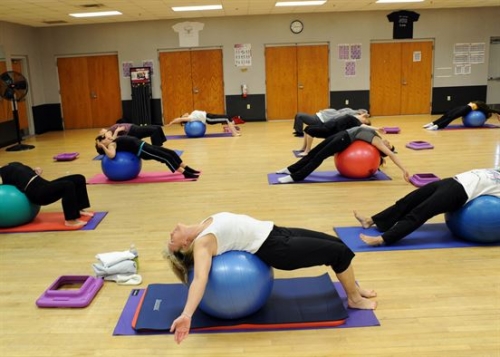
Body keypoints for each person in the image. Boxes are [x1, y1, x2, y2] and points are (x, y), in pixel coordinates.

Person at [164, 211, 378, 344]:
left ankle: (354, 288)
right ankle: (354, 299)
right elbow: (200, 278)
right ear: (184, 246)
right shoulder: (202, 244)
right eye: (170, 241)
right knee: (337, 254)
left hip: (275, 231)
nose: (170, 234)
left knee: (338, 244)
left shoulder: (203, 224)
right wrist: (187, 314)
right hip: (276, 248)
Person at [353, 168, 500, 246]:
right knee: (407, 201)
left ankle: (383, 239)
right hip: (451, 181)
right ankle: (371, 221)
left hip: (460, 192)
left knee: (419, 212)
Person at [276, 126, 410, 184]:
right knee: (314, 152)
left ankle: (295, 177)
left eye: (389, 146)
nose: (388, 143)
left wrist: (404, 170)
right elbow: (363, 126)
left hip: (344, 140)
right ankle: (290, 169)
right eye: (389, 143)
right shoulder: (377, 136)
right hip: (342, 134)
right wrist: (377, 128)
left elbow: (392, 155)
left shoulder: (377, 142)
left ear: (384, 149)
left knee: (319, 157)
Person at [0, 162, 93, 227]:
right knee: (67, 185)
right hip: (37, 193)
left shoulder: (11, 164)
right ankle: (70, 220)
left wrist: (35, 171)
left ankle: (79, 208)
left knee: (79, 178)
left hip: (43, 183)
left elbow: (22, 174)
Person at [95, 135, 200, 179]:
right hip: (143, 151)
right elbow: (111, 155)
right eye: (103, 139)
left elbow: (107, 134)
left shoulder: (112, 140)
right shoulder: (111, 145)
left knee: (171, 153)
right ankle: (185, 174)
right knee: (165, 158)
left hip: (144, 145)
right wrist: (103, 146)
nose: (105, 137)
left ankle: (187, 168)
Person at [297, 112, 376, 156]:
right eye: (364, 118)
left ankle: (307, 151)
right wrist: (364, 115)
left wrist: (377, 129)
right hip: (327, 125)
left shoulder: (356, 123)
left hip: (329, 130)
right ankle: (303, 147)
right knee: (307, 129)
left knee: (310, 131)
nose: (364, 119)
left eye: (365, 120)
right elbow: (359, 116)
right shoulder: (354, 117)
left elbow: (364, 126)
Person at [423, 101, 500, 130]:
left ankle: (438, 126)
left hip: (467, 108)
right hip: (464, 107)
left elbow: (494, 111)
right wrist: (497, 114)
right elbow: (494, 111)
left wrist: (497, 114)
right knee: (447, 114)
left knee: (451, 117)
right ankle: (433, 123)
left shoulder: (485, 110)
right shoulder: (485, 107)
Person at [293, 108, 369, 137]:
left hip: (319, 119)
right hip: (318, 116)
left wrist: (362, 114)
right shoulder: (350, 111)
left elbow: (343, 114)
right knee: (299, 115)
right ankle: (298, 131)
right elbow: (343, 111)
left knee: (299, 115)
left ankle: (299, 132)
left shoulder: (353, 115)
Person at [168, 110, 241, 136]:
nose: (185, 113)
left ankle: (232, 130)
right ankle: (234, 133)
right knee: (226, 118)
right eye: (183, 115)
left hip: (208, 115)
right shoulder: (190, 118)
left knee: (227, 118)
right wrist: (172, 122)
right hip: (209, 119)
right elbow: (179, 119)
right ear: (184, 118)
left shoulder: (191, 114)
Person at [98, 123, 167, 148]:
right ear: (102, 134)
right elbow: (112, 139)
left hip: (133, 128)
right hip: (133, 131)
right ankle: (156, 147)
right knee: (154, 130)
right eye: (100, 131)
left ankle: (160, 143)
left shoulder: (109, 129)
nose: (101, 129)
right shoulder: (108, 132)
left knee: (158, 127)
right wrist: (117, 131)